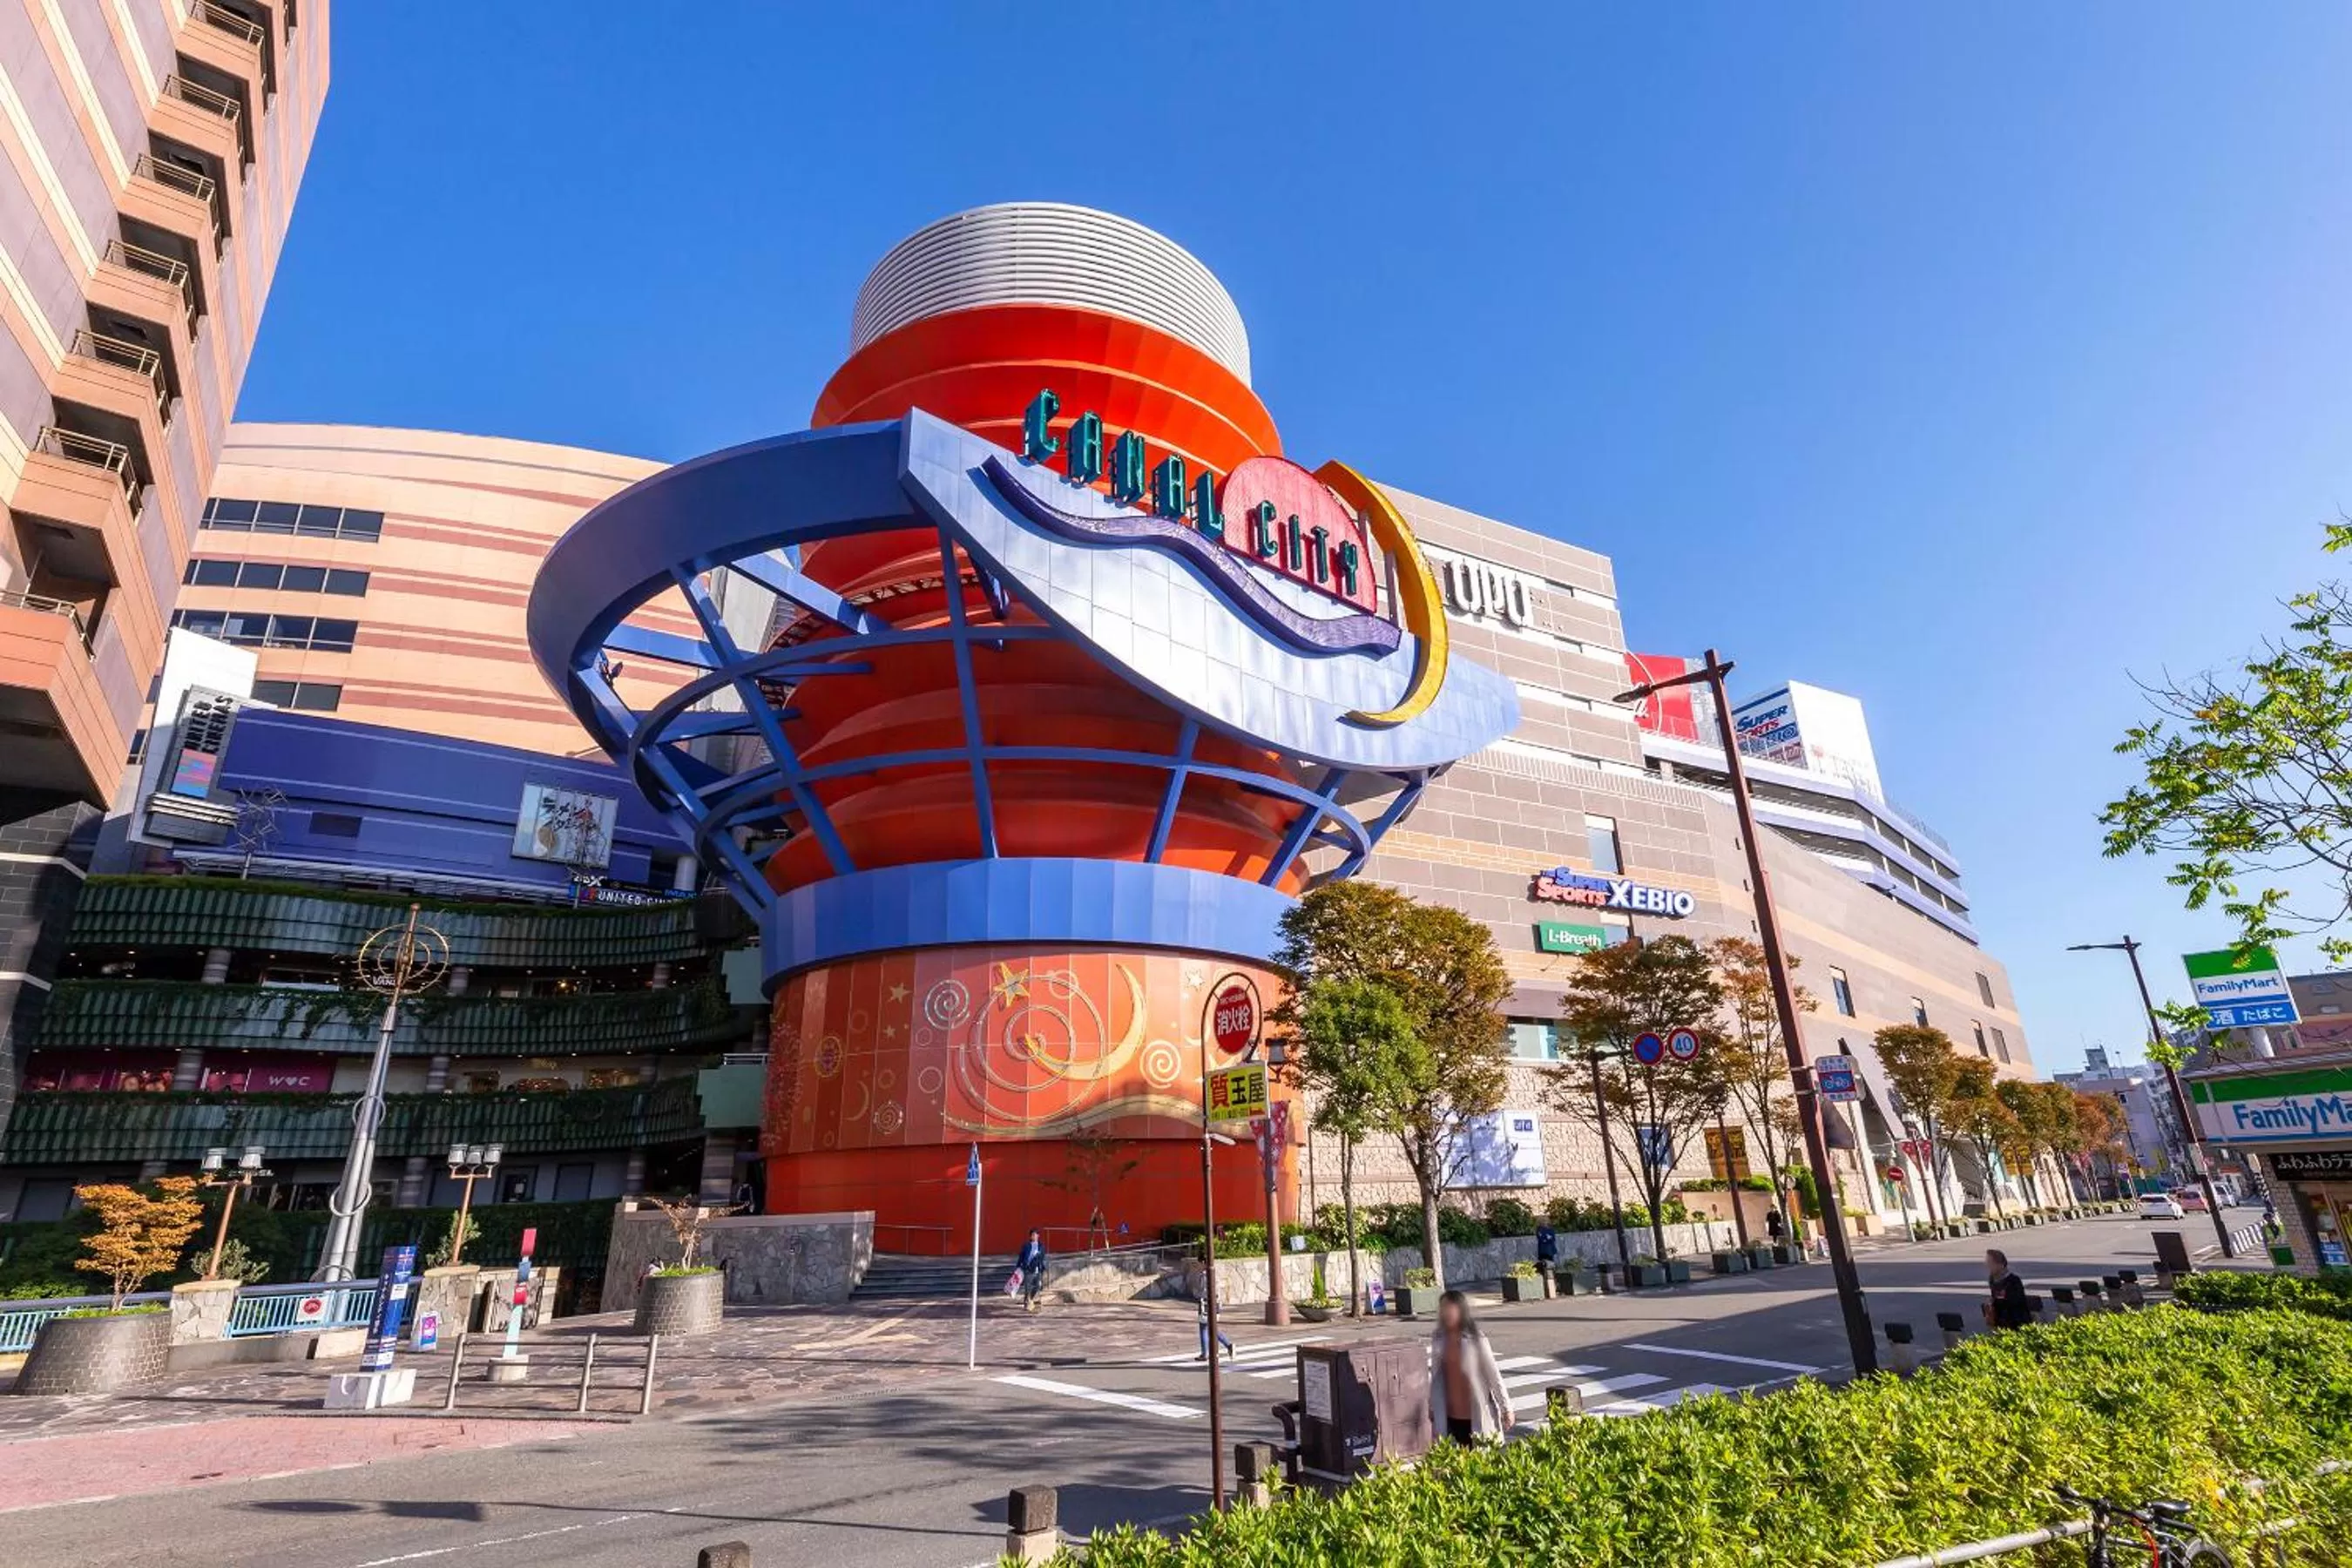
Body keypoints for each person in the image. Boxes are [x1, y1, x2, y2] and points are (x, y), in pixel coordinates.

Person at [1427, 1290, 1513, 1445]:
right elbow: (1436, 1375)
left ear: (1461, 1311)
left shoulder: (1476, 1339)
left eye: (1450, 1309)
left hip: (1476, 1415)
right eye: (1443, 1308)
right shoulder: (1439, 1338)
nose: (1447, 1313)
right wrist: (1432, 1405)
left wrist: (1506, 1408)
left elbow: (1493, 1374)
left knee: (1479, 1463)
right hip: (1449, 1417)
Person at [1984, 1248, 2032, 1329]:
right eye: (1987, 1262)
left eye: (1990, 1263)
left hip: (2016, 1322)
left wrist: (1997, 1301)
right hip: (2000, 1322)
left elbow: (2015, 1303)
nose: (1987, 1265)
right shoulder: (1992, 1279)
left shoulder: (2013, 1280)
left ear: (2001, 1265)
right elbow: (1995, 1297)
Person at [1014, 1228, 1048, 1314]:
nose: (1034, 1236)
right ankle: (1026, 1303)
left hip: (1037, 1269)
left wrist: (1041, 1264)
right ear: (1030, 1236)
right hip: (1028, 1269)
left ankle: (1030, 1299)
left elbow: (1043, 1257)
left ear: (1038, 1236)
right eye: (1033, 1235)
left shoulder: (1041, 1246)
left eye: (1036, 1235)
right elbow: (1021, 1256)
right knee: (1027, 1287)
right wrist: (1018, 1266)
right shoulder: (1026, 1245)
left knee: (1037, 1286)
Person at [1195, 1292, 1233, 1361]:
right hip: (1215, 1300)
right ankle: (1228, 1345)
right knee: (1212, 1328)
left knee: (1204, 1327)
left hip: (1205, 1301)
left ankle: (1204, 1354)